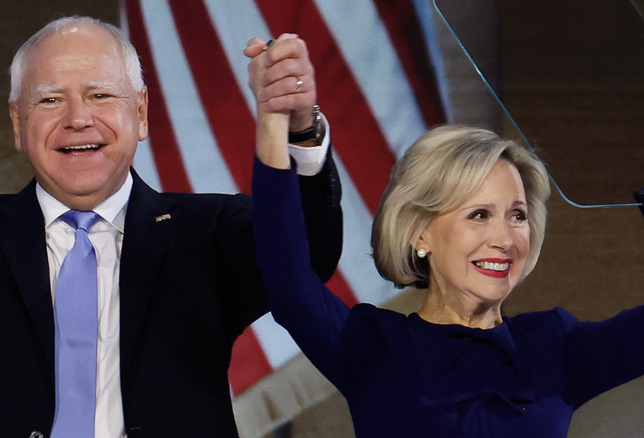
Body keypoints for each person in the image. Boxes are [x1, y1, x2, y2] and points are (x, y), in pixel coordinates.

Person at [0, 17, 342, 437]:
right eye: (50, 100)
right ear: (17, 121)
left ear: (141, 113)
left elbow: (305, 259)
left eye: (99, 95)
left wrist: (299, 129)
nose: (77, 119)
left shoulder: (209, 231)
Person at [249, 84, 644, 438]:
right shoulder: (375, 348)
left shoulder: (555, 346)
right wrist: (279, 122)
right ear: (421, 233)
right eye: (479, 215)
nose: (504, 239)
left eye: (518, 216)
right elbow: (288, 282)